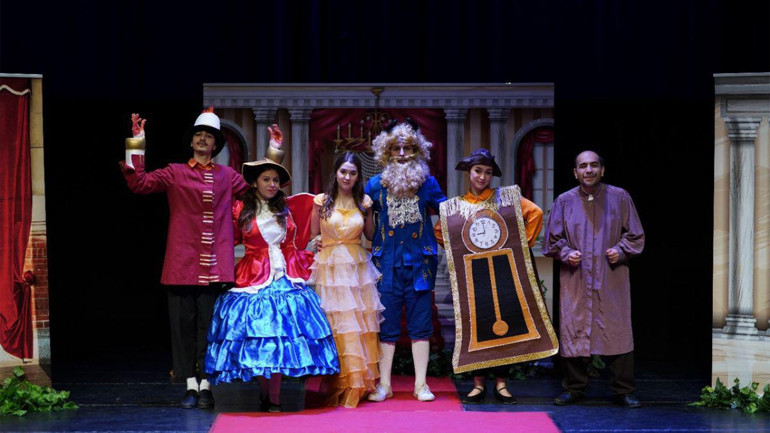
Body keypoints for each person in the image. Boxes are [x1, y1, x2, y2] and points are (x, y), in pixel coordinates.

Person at [120, 108, 250, 409]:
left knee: (210, 328)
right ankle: (190, 385)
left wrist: (275, 152)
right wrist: (137, 142)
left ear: (215, 145)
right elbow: (139, 183)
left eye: (208, 136)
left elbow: (259, 191)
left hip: (215, 266)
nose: (203, 139)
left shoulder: (228, 176)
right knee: (182, 328)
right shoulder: (175, 172)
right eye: (198, 135)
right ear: (191, 142)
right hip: (181, 264)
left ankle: (207, 385)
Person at [205, 125, 339, 413]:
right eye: (266, 179)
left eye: (276, 180)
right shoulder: (240, 209)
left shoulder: (284, 210)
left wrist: (312, 248)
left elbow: (294, 242)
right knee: (259, 338)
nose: (272, 184)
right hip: (253, 277)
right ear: (255, 183)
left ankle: (274, 398)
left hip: (284, 277)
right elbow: (226, 237)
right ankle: (265, 394)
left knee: (279, 336)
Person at [434, 148, 543, 404]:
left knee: (506, 326)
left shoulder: (505, 198)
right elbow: (440, 230)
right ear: (469, 172)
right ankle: (478, 384)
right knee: (478, 326)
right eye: (478, 171)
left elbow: (535, 213)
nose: (482, 176)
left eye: (488, 172)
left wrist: (519, 245)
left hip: (503, 271)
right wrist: (458, 250)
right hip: (473, 273)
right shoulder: (455, 206)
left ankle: (502, 384)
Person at [542, 150, 645, 408]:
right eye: (583, 166)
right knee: (573, 328)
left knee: (617, 329)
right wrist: (566, 253)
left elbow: (636, 235)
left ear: (602, 170)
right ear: (575, 172)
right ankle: (574, 388)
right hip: (576, 277)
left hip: (611, 277)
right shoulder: (564, 201)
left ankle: (623, 390)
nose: (588, 170)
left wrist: (620, 250)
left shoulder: (619, 197)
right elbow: (551, 241)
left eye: (594, 165)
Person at [364, 120, 447, 402]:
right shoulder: (374, 185)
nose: (401, 154)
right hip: (385, 265)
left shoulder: (428, 184)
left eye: (408, 148)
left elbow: (449, 213)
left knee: (421, 325)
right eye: (396, 148)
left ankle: (421, 384)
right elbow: (357, 218)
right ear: (386, 152)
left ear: (417, 151)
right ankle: (384, 385)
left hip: (420, 266)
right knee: (386, 326)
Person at [307, 152, 385, 408]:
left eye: (352, 173)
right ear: (336, 173)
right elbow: (312, 236)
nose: (347, 177)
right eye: (343, 172)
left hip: (356, 269)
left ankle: (356, 384)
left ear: (358, 176)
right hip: (329, 268)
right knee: (335, 325)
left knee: (356, 325)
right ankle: (336, 382)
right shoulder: (321, 201)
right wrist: (316, 243)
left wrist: (370, 212)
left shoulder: (363, 201)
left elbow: (371, 235)